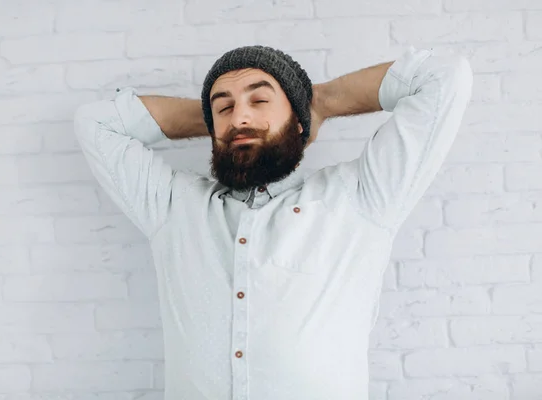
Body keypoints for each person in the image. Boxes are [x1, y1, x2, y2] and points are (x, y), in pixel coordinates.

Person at [73, 45, 473, 399]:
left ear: (299, 120)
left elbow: (443, 75)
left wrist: (319, 103)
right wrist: (224, 122)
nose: (240, 117)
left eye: (260, 100)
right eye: (224, 106)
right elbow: (95, 122)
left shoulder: (361, 197)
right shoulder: (174, 207)